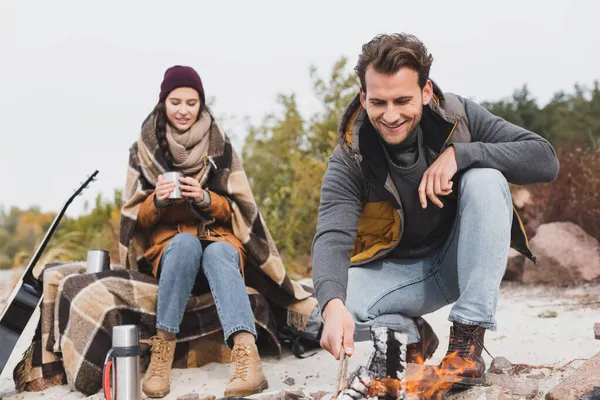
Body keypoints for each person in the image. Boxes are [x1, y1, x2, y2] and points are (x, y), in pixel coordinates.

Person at [312, 33, 559, 384]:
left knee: (486, 178)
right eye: (379, 102)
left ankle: (466, 346)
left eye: (402, 100)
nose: (391, 115)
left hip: (465, 261)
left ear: (426, 91)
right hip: (404, 277)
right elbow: (331, 238)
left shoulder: (460, 115)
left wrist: (463, 154)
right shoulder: (350, 157)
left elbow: (545, 160)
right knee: (326, 303)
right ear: (364, 98)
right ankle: (407, 337)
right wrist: (332, 306)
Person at [122, 66, 268, 398]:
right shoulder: (142, 150)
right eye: (176, 102)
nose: (184, 110)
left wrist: (205, 198)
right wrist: (157, 202)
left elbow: (238, 208)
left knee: (216, 252)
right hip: (172, 252)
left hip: (219, 243)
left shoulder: (220, 145)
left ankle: (249, 362)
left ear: (201, 104)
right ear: (163, 103)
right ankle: (162, 355)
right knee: (185, 243)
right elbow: (134, 219)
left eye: (192, 102)